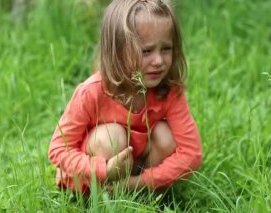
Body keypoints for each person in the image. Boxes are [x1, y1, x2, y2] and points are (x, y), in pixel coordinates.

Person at [48, 0, 202, 194]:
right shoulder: (91, 91)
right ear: (118, 52)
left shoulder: (169, 91)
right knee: (111, 137)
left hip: (135, 178)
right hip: (88, 182)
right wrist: (103, 170)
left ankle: (139, 196)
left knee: (165, 136)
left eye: (166, 49)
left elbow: (192, 153)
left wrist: (140, 182)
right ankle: (103, 199)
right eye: (146, 51)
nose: (158, 61)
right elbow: (58, 149)